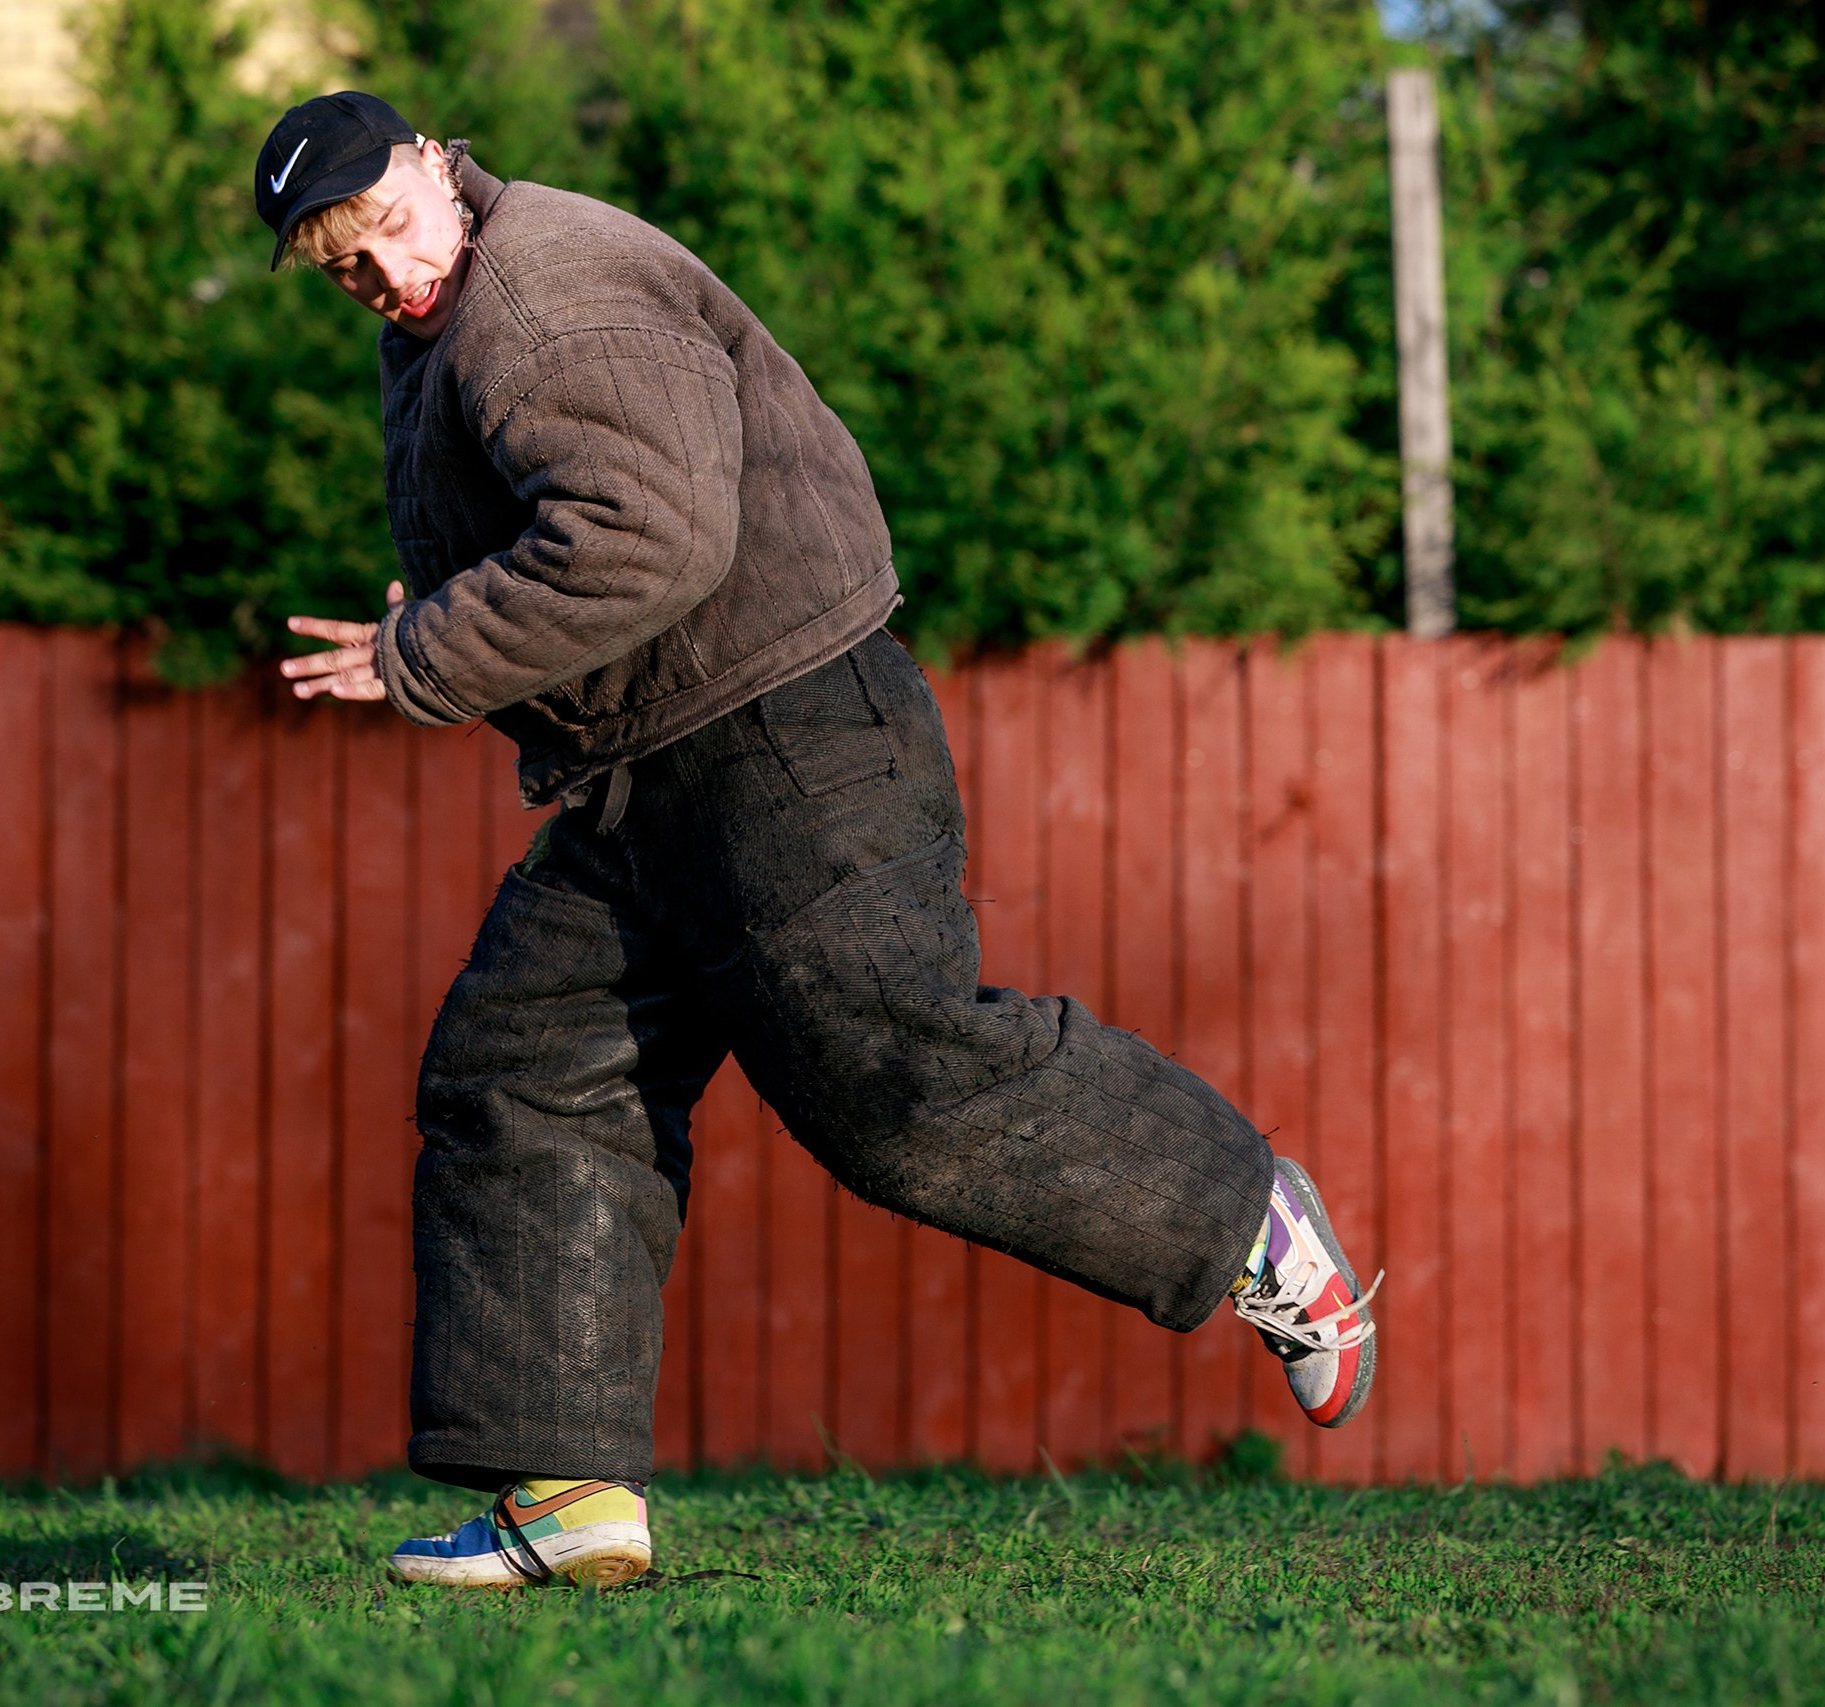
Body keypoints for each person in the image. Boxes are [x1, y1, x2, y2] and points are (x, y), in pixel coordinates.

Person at [253, 91, 1381, 1591]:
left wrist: (430, 653)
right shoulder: (455, 315)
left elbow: (646, 539)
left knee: (892, 1086)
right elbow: (558, 535)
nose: (385, 276)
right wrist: (452, 623)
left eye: (387, 231)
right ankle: (566, 1494)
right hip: (642, 772)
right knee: (525, 1073)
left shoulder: (546, 288)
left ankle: (1249, 1221)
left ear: (432, 163)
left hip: (786, 740)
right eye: (344, 268)